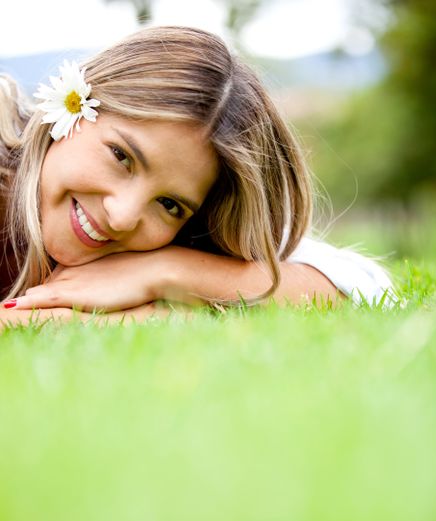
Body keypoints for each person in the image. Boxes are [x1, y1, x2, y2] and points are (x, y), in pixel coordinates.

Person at [0, 26, 395, 327]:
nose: (121, 216)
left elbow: (365, 286)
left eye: (170, 205)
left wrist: (164, 272)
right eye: (122, 157)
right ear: (74, 105)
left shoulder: (174, 241)